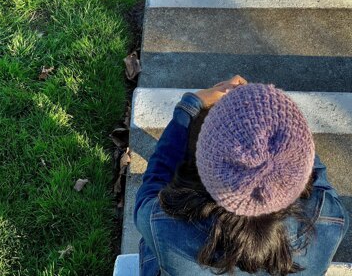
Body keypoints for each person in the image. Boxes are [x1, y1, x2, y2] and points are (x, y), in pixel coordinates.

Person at [134, 76, 349, 276]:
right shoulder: (330, 219)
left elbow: (153, 184)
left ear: (204, 162)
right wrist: (288, 130)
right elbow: (311, 165)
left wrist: (190, 105)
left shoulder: (163, 224)